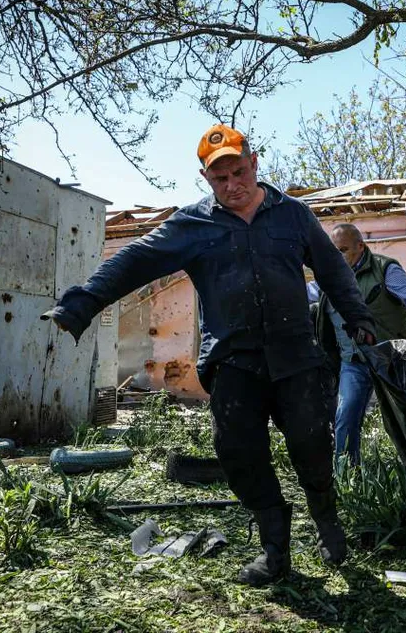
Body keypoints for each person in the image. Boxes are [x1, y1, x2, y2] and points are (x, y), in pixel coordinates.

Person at [43, 124, 376, 586]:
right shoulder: (193, 224)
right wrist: (82, 302)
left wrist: (359, 318)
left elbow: (334, 270)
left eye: (239, 172)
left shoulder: (293, 216)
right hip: (234, 363)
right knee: (239, 455)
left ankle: (326, 520)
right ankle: (275, 548)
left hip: (296, 357)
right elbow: (135, 260)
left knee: (313, 447)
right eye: (220, 179)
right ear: (206, 178)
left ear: (254, 164)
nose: (232, 185)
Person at [308, 223, 406, 464]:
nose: (338, 257)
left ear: (360, 247)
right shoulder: (328, 279)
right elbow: (299, 296)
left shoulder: (385, 270)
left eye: (343, 250)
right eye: (334, 252)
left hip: (393, 360)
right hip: (353, 361)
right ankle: (347, 475)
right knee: (346, 415)